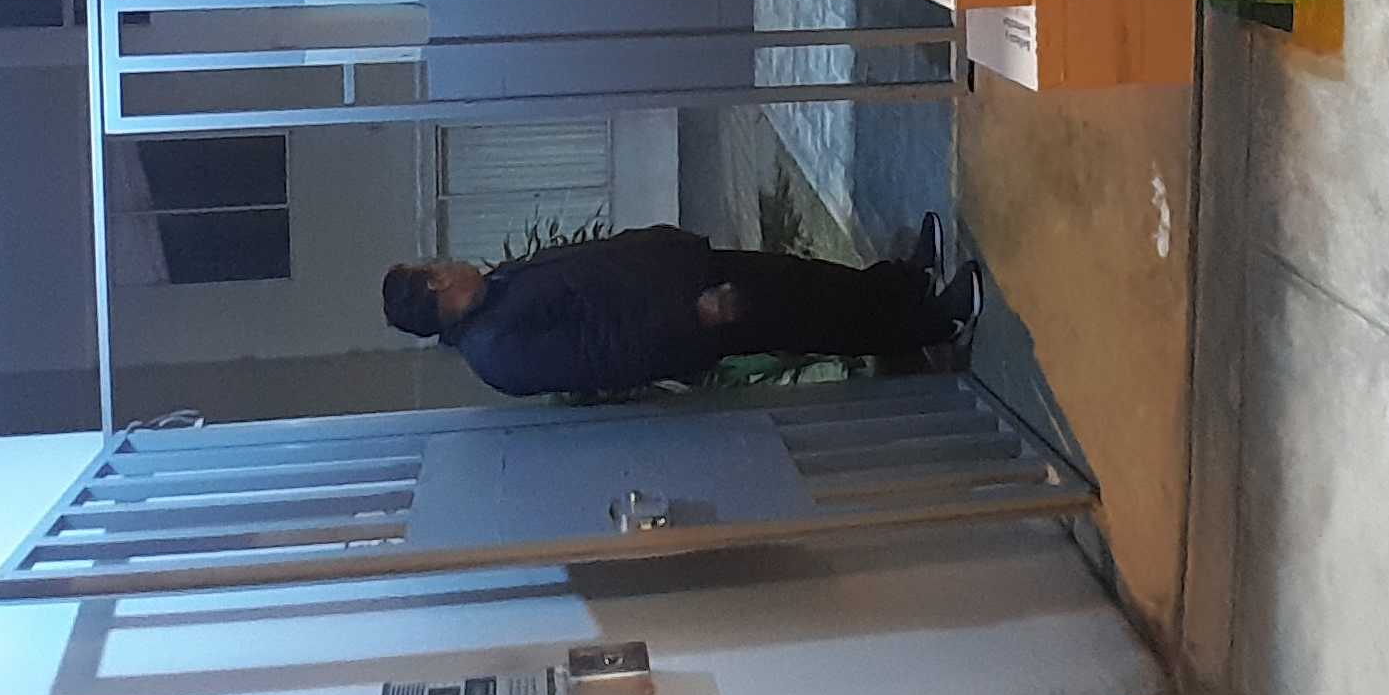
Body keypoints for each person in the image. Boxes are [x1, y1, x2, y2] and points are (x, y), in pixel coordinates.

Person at [381, 214, 982, 400]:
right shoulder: (500, 350)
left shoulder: (495, 290)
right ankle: (933, 323)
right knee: (815, 316)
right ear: (435, 287)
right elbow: (605, 357)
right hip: (700, 311)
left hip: (690, 274)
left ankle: (903, 284)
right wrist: (692, 318)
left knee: (809, 282)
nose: (444, 259)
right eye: (432, 265)